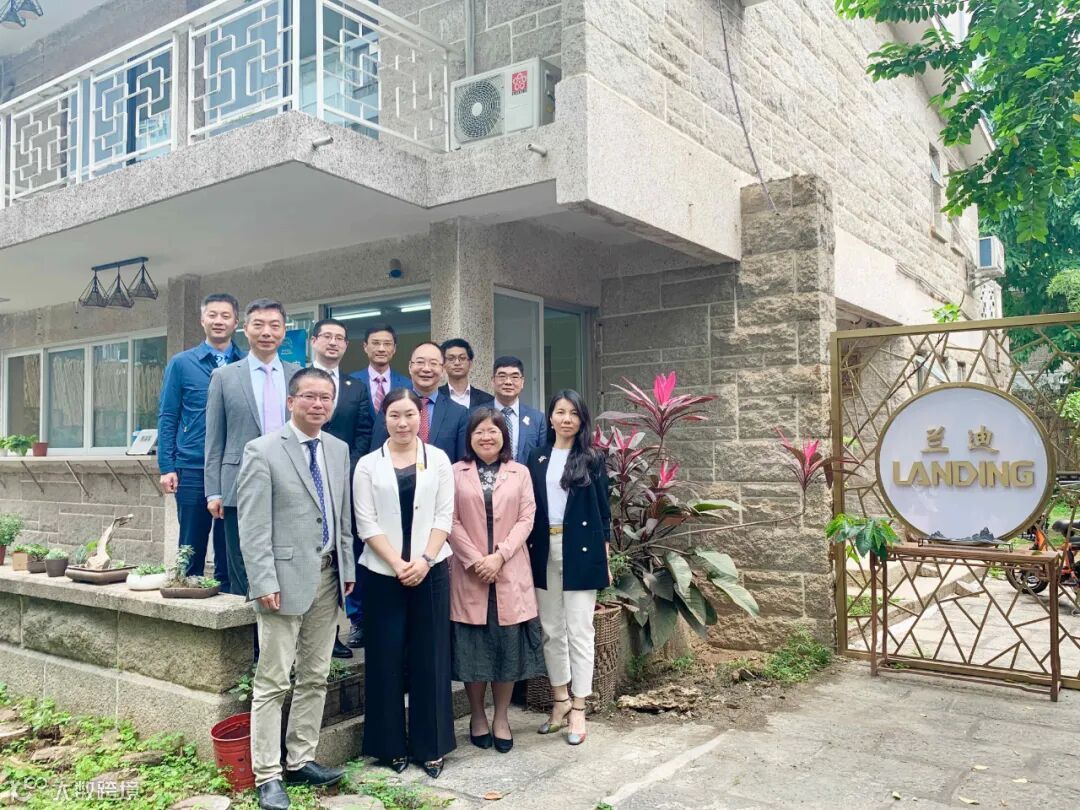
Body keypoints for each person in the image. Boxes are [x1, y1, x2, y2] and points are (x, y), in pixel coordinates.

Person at [236, 368, 355, 810]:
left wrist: (346, 567)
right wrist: (263, 579)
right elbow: (252, 525)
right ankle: (267, 774)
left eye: (326, 397)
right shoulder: (262, 450)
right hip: (282, 583)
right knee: (272, 680)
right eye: (309, 396)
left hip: (329, 577)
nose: (318, 404)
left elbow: (341, 516)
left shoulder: (338, 449)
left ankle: (301, 758)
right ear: (291, 401)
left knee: (315, 675)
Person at [353, 388, 456, 778]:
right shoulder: (367, 465)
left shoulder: (439, 459)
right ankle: (389, 745)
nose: (402, 422)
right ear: (384, 418)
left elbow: (444, 516)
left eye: (409, 414)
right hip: (383, 574)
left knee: (431, 657)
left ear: (420, 417)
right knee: (385, 658)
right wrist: (398, 563)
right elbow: (365, 523)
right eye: (394, 415)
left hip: (431, 571)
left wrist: (424, 560)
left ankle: (431, 747)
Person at [448, 408, 544, 754]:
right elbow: (449, 520)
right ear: (469, 438)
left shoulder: (520, 472)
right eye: (479, 432)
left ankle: (501, 717)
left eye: (493, 431)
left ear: (504, 436)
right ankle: (477, 715)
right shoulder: (455, 472)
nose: (486, 437)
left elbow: (527, 517)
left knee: (507, 649)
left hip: (509, 569)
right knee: (473, 649)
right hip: (469, 571)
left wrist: (499, 556)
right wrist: (477, 560)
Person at [526, 389, 611, 746]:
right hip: (543, 547)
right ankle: (559, 699)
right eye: (560, 412)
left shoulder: (593, 458)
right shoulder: (537, 457)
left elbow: (604, 514)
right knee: (551, 629)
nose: (566, 419)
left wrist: (604, 559)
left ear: (581, 419)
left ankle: (579, 705)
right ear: (550, 417)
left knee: (579, 629)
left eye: (573, 413)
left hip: (581, 550)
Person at [205, 299, 301, 598]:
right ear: (245, 329)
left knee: (285, 559)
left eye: (274, 325)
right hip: (238, 483)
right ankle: (244, 626)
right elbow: (214, 438)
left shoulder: (298, 375)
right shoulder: (225, 376)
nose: (266, 332)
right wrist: (214, 491)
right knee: (241, 563)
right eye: (258, 325)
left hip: (288, 481)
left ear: (284, 331)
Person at [158, 293, 243, 592]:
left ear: (236, 322)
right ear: (202, 320)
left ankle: (229, 604)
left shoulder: (246, 364)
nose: (219, 321)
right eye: (213, 315)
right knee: (191, 544)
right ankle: (187, 603)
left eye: (226, 316)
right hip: (193, 465)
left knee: (230, 545)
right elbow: (168, 415)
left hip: (234, 466)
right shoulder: (182, 364)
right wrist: (167, 466)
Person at [310, 318, 374, 657]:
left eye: (340, 338)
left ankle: (332, 631)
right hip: (304, 477)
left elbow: (364, 431)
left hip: (343, 481)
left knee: (339, 553)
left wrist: (347, 468)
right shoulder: (299, 378)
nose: (333, 342)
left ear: (347, 345)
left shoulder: (356, 387)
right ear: (314, 340)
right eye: (327, 336)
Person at [369, 342, 468, 462]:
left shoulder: (458, 413)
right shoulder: (391, 405)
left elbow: (462, 464)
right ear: (410, 367)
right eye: (420, 362)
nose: (426, 369)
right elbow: (376, 452)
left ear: (443, 370)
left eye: (433, 363)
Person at [491, 356, 546, 464]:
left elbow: (542, 458)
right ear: (493, 381)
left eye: (514, 377)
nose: (508, 382)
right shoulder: (475, 414)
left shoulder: (537, 419)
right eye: (502, 376)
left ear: (522, 382)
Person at [351, 324, 410, 420]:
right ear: (365, 347)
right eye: (375, 343)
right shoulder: (353, 382)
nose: (381, 349)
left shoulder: (406, 384)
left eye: (387, 344)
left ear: (394, 348)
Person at [439, 338, 494, 410]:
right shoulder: (436, 396)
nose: (457, 363)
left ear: (470, 364)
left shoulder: (487, 400)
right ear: (443, 364)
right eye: (451, 359)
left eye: (462, 358)